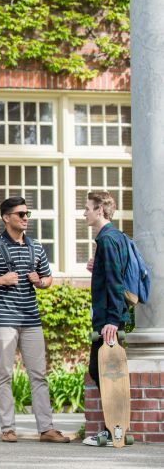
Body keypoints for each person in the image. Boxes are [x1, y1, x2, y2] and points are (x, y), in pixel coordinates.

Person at [0, 197, 70, 444]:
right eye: (21, 214)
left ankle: (46, 430)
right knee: (3, 375)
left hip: (31, 319)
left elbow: (48, 279)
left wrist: (40, 282)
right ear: (6, 218)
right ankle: (8, 428)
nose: (25, 218)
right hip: (2, 320)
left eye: (27, 214)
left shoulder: (36, 247)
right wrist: (0, 280)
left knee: (39, 375)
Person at [82, 191, 130, 447]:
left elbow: (115, 282)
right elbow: (111, 273)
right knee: (104, 371)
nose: (84, 213)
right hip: (108, 317)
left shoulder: (108, 240)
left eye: (88, 208)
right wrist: (96, 266)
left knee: (104, 372)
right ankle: (113, 431)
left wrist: (111, 320)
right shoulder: (112, 237)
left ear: (100, 210)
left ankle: (114, 432)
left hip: (109, 320)